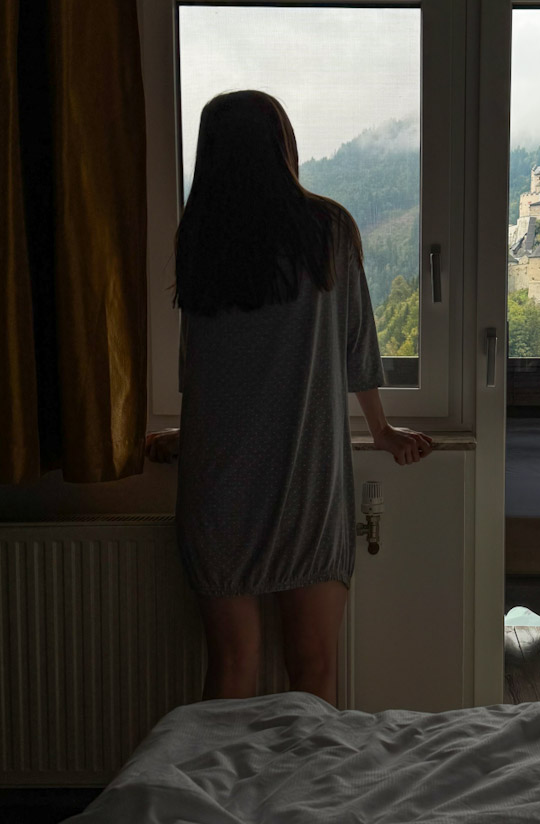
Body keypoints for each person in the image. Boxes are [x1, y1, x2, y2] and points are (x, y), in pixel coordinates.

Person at [145, 89, 433, 706]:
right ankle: (313, 801)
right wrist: (381, 432)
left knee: (231, 670)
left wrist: (188, 439)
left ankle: (220, 800)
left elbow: (201, 366)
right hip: (306, 475)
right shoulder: (328, 228)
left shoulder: (200, 238)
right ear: (283, 147)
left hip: (220, 482)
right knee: (315, 673)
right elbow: (358, 345)